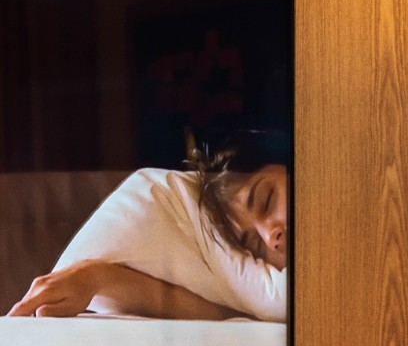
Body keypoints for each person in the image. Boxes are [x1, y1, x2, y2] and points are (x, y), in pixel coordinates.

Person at [6, 131, 288, 320]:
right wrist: (96, 277)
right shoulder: (193, 214)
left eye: (267, 200)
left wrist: (97, 277)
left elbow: (239, 310)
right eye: (252, 244)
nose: (270, 237)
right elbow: (273, 301)